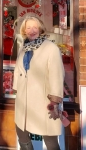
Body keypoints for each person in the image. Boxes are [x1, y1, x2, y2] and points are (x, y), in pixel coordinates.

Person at [13, 16, 65, 150]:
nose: (32, 30)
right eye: (28, 27)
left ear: (40, 28)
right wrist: (16, 89)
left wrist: (55, 101)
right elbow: (18, 70)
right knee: (21, 132)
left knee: (49, 137)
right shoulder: (24, 47)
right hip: (24, 100)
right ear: (24, 30)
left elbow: (57, 75)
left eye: (35, 27)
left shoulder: (51, 48)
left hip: (43, 100)